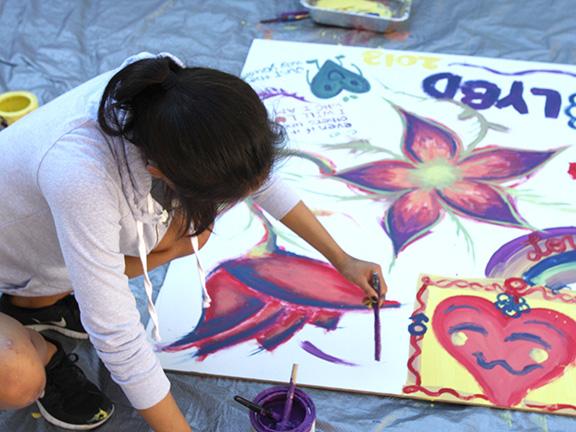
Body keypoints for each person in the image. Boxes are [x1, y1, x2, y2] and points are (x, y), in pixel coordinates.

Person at [0, 52, 387, 431]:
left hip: (36, 245)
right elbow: (117, 335)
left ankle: (37, 302)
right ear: (157, 171)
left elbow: (253, 173)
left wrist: (342, 259)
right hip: (14, 257)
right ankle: (42, 345)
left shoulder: (172, 96)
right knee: (16, 376)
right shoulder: (80, 178)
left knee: (192, 231)